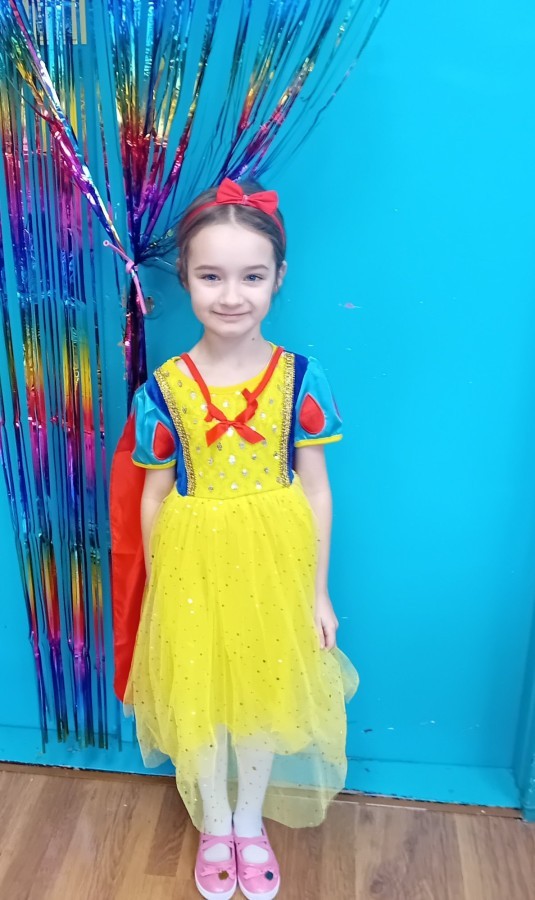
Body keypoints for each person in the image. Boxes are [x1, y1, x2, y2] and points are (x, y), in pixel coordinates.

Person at [109, 177, 359, 900]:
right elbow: (154, 494)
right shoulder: (164, 389)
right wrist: (161, 585)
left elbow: (316, 488)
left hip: (273, 567)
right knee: (200, 701)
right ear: (185, 278)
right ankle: (214, 824)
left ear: (279, 277)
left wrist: (316, 592)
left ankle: (249, 822)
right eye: (210, 276)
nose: (230, 295)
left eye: (251, 276)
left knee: (260, 696)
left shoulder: (300, 379)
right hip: (193, 565)